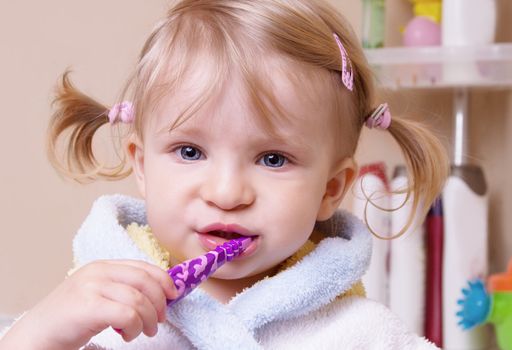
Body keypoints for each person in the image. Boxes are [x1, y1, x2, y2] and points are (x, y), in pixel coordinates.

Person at [0, 0, 449, 348]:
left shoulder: (360, 334)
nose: (227, 193)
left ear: (330, 189)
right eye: (190, 151)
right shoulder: (94, 316)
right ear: (142, 163)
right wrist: (37, 335)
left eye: (273, 159)